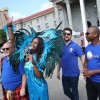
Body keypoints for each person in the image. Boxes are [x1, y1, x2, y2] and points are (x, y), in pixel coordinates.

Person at [4, 13, 49, 100]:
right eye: (32, 42)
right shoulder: (26, 55)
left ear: (39, 45)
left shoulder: (41, 56)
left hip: (40, 88)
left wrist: (33, 62)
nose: (33, 44)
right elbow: (12, 42)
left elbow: (39, 75)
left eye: (36, 43)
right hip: (30, 88)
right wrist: (9, 25)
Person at [0, 13, 29, 100]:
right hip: (6, 90)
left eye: (7, 48)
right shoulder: (2, 60)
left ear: (12, 49)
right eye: (3, 49)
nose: (5, 50)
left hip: (18, 89)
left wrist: (9, 25)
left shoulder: (17, 59)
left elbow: (23, 75)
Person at [57, 27, 84, 100]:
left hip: (74, 74)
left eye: (68, 34)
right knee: (66, 91)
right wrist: (58, 72)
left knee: (74, 91)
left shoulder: (75, 46)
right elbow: (59, 60)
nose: (66, 35)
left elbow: (82, 57)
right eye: (64, 34)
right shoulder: (60, 47)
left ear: (71, 35)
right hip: (65, 74)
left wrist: (85, 69)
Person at [83, 26, 100, 100]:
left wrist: (93, 72)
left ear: (95, 34)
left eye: (87, 33)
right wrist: (85, 68)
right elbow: (86, 60)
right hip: (90, 81)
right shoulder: (88, 47)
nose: (85, 35)